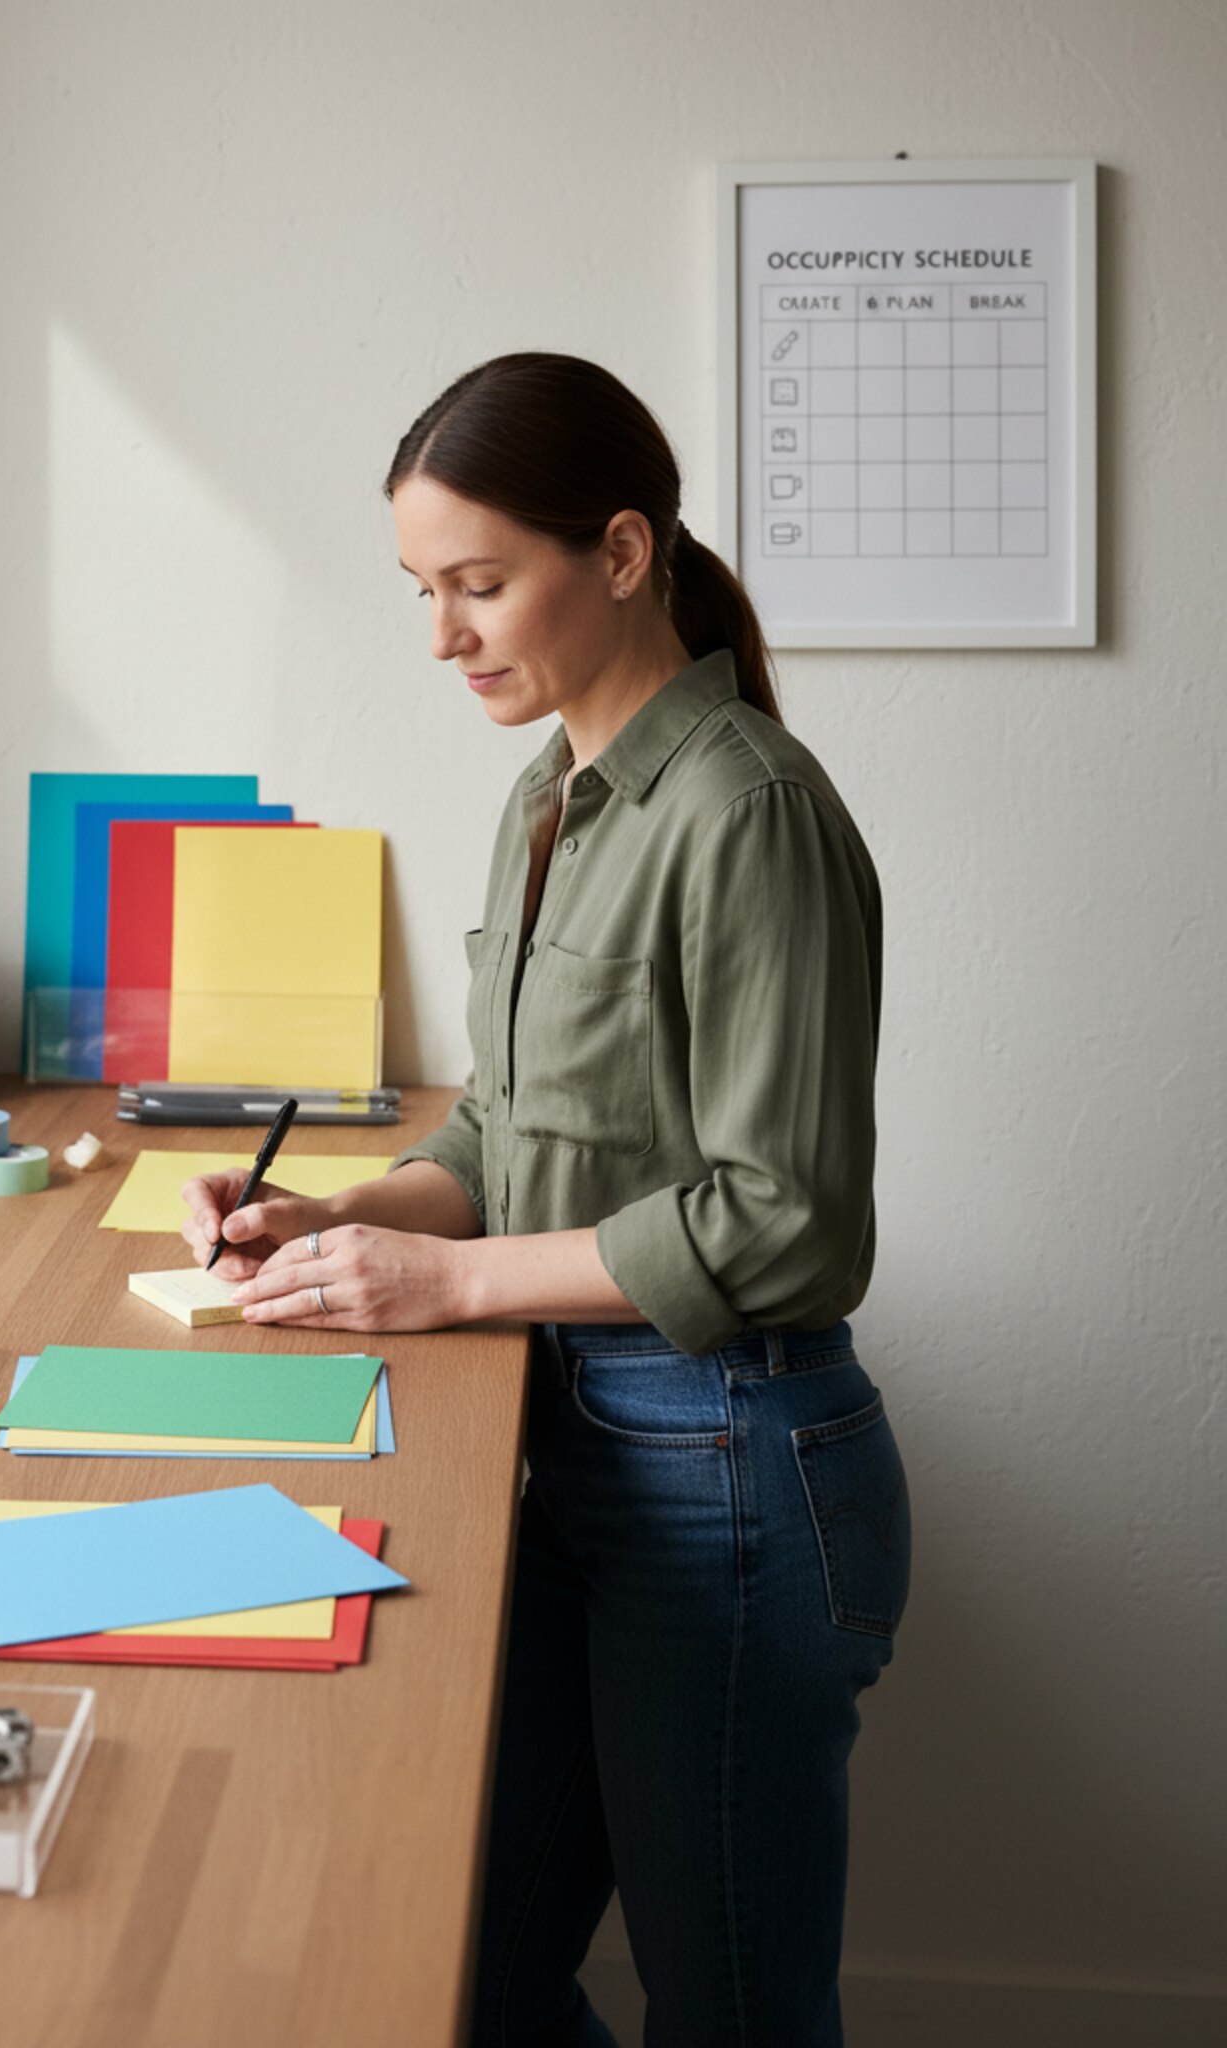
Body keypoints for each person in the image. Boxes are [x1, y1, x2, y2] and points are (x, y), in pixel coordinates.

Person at [179, 354, 912, 2046]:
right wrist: (341, 1220)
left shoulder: (749, 810)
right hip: (584, 1449)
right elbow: (507, 1132)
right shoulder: (547, 796)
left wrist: (447, 1287)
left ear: (625, 552)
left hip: (730, 1466)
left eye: (481, 585)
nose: (444, 637)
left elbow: (786, 1218)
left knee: (732, 2015)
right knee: (473, 1971)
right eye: (423, 592)